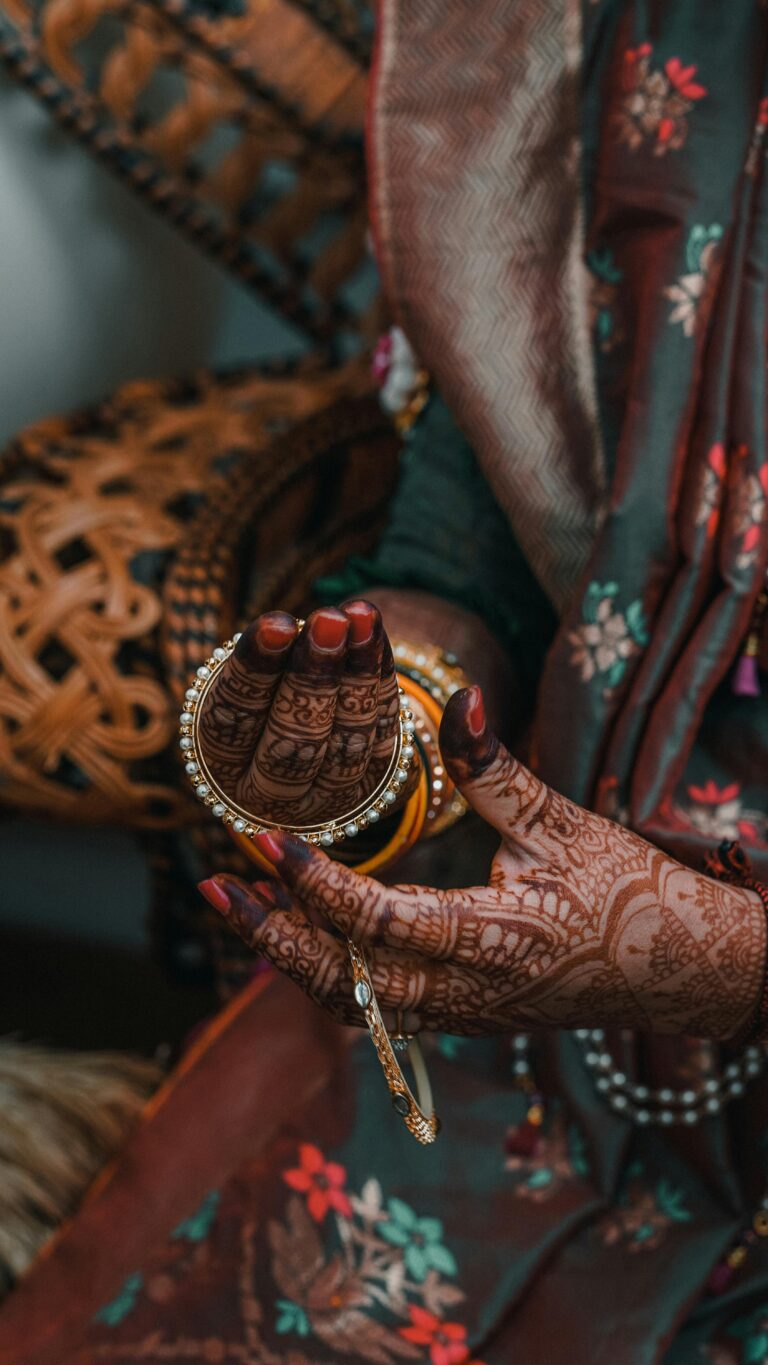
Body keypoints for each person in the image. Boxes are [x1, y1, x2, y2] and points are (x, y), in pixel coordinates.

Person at [3, 1, 768, 1361]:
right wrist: (381, 736)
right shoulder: (584, 39)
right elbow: (460, 556)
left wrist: (719, 961)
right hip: (537, 1039)